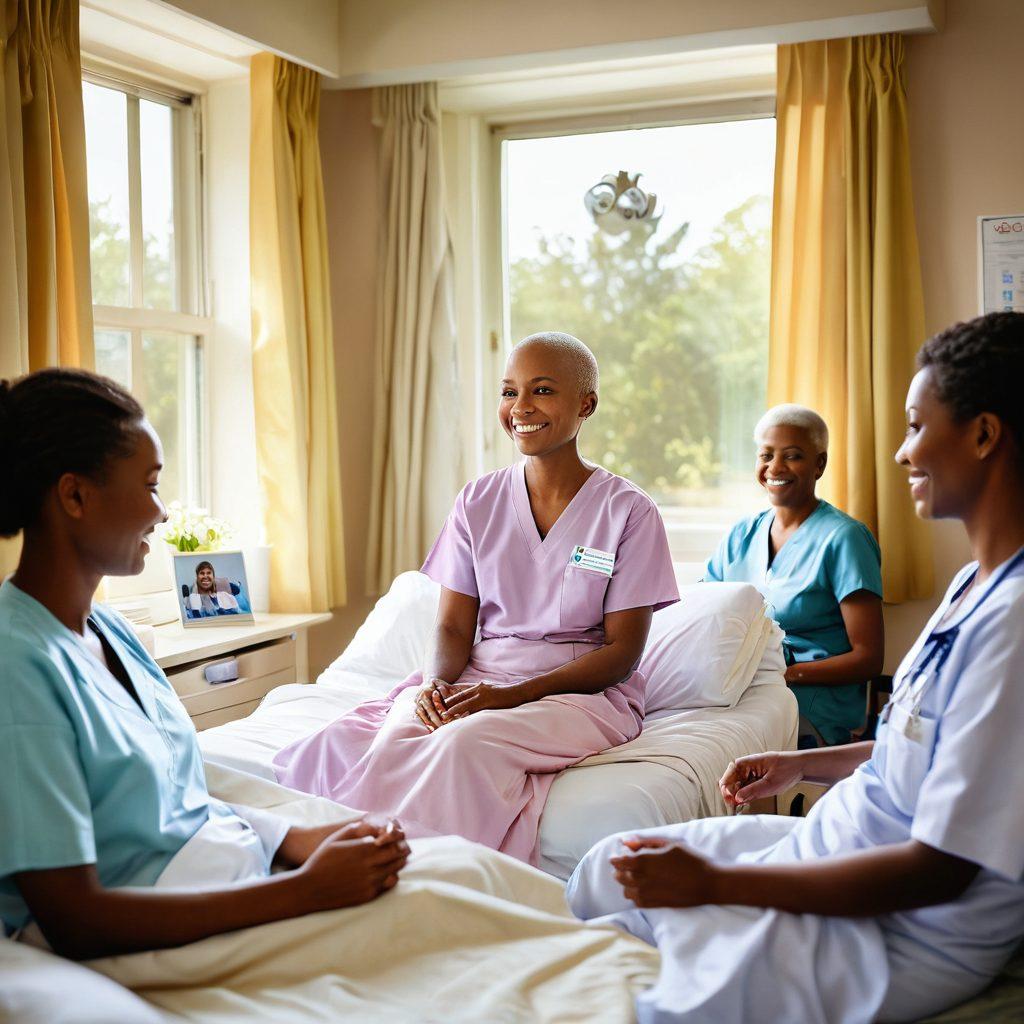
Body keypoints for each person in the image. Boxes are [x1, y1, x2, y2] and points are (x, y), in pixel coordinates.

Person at [568, 312, 1024, 1024]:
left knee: (636, 994)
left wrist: (717, 885)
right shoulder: (973, 584)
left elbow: (940, 867)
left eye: (914, 427)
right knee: (605, 868)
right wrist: (799, 766)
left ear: (984, 435)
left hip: (900, 928)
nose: (904, 455)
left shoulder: (1015, 625)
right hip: (841, 838)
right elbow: (935, 750)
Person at [0, 368, 409, 960]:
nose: (162, 513)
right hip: (159, 932)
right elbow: (75, 919)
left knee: (463, 879)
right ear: (74, 496)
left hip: (228, 876)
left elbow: (171, 801)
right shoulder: (18, 668)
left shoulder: (112, 631)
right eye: (149, 484)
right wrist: (304, 892)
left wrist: (295, 840)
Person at [274, 332, 679, 865]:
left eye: (541, 390)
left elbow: (622, 653)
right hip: (476, 678)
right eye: (508, 392)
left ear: (586, 404)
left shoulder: (628, 511)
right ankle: (333, 867)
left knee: (463, 745)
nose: (521, 408)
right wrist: (437, 684)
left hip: (581, 693)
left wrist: (509, 697)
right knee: (389, 737)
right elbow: (451, 627)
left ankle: (423, 879)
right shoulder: (478, 500)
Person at [704, 404, 884, 745]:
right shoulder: (741, 534)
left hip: (812, 702)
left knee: (723, 745)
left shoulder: (844, 539)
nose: (775, 467)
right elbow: (706, 611)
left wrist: (784, 674)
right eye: (766, 455)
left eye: (793, 456)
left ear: (819, 464)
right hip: (745, 687)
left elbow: (868, 658)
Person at [183, 560, 248, 619]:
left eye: (208, 573)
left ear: (213, 577)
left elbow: (241, 614)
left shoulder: (226, 596)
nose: (205, 576)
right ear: (197, 577)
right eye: (202, 573)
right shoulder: (193, 598)